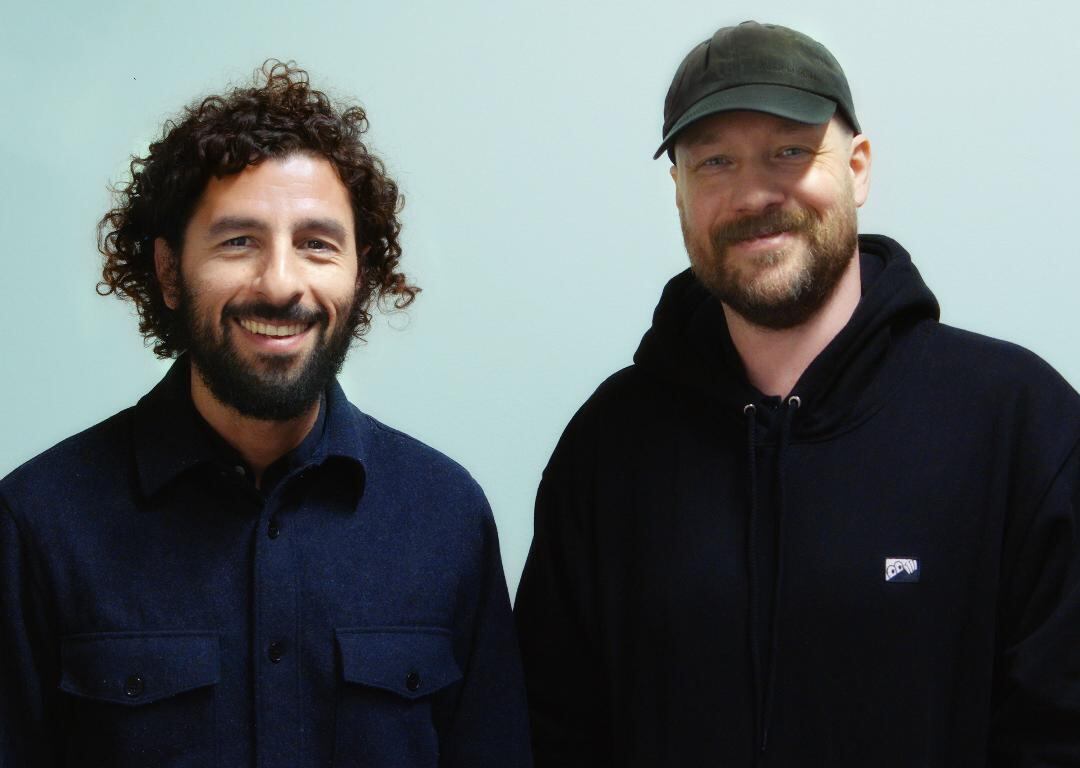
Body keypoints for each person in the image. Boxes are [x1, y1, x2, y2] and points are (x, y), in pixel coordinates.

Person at [514, 20, 1080, 766]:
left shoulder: (1019, 423)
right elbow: (549, 731)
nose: (753, 194)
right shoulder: (607, 447)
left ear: (858, 168)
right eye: (715, 161)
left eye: (790, 151)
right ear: (678, 192)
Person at [0, 61, 530, 767]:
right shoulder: (37, 525)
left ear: (361, 273)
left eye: (317, 244)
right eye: (238, 241)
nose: (280, 284)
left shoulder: (447, 517)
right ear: (168, 272)